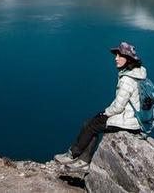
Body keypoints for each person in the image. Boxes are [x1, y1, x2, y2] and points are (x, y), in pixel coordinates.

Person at [54, 41, 147, 171]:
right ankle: (80, 158)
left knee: (91, 125)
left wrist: (106, 112)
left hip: (128, 120)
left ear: (129, 59)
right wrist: (105, 112)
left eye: (120, 56)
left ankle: (75, 156)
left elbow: (119, 107)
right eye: (116, 55)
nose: (116, 58)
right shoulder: (138, 73)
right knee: (91, 123)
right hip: (134, 117)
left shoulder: (127, 79)